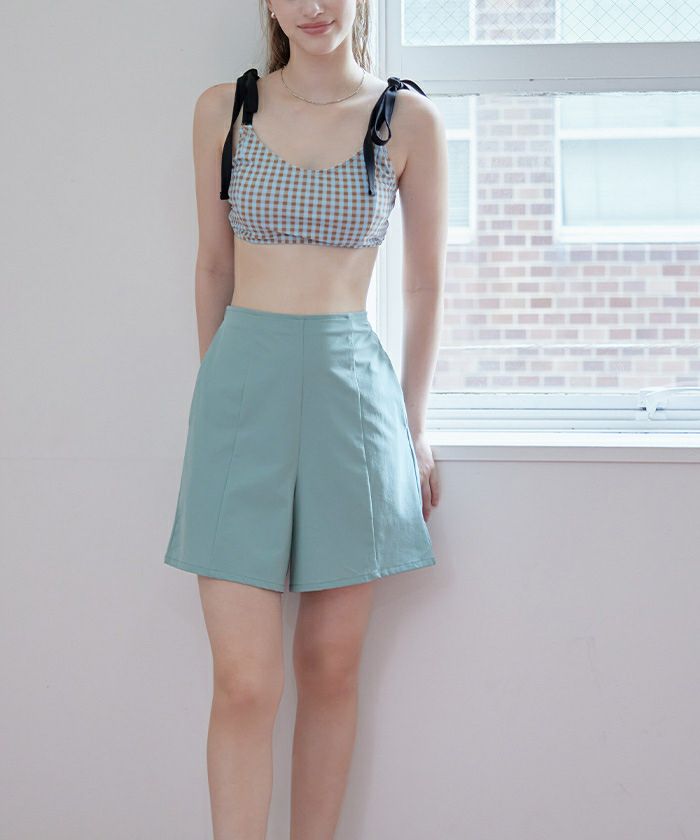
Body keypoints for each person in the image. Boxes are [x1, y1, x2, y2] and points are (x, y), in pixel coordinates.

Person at [163, 1, 448, 837]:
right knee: (245, 682)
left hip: (350, 399)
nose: (313, 7)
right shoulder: (225, 109)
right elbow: (212, 268)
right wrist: (217, 396)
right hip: (240, 393)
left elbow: (424, 285)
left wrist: (416, 426)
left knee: (328, 667)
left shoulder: (407, 120)